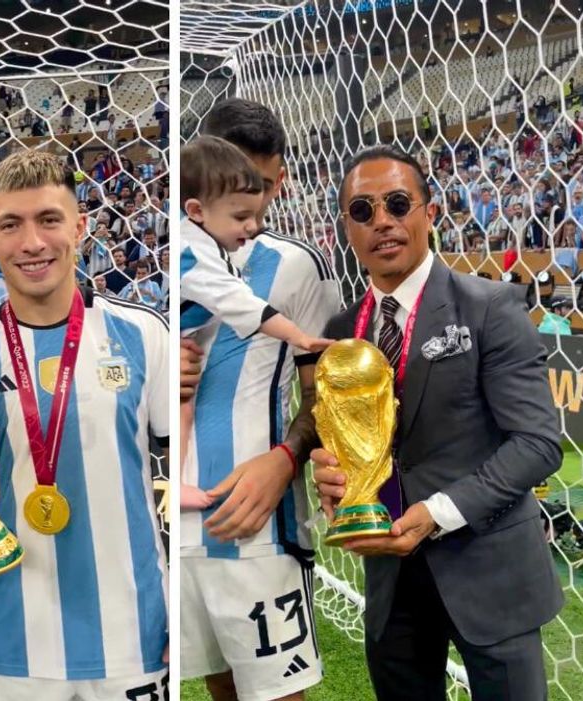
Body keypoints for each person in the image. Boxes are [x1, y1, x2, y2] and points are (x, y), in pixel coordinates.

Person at [311, 145, 562, 700]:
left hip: (488, 568)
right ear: (346, 229)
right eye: (362, 210)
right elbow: (348, 442)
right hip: (390, 579)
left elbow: (539, 443)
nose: (382, 220)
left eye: (398, 203)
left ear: (429, 212)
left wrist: (437, 513)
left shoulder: (491, 306)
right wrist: (334, 478)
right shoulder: (340, 329)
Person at [0, 149, 169, 699]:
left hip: (135, 638)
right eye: (11, 225)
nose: (32, 242)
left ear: (80, 227)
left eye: (49, 219)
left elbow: (185, 463)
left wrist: (178, 597)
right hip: (15, 646)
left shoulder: (144, 335)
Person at [179, 99, 340, 701]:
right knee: (219, 684)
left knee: (275, 694)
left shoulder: (301, 266)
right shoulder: (179, 251)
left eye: (267, 186)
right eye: (242, 184)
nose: (258, 202)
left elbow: (320, 382)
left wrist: (287, 459)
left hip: (259, 519)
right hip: (178, 512)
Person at [180, 135, 331, 510]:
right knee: (181, 400)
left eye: (257, 208)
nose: (253, 225)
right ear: (197, 210)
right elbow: (244, 306)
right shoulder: (191, 252)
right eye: (240, 216)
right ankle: (178, 480)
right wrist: (302, 338)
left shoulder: (216, 245)